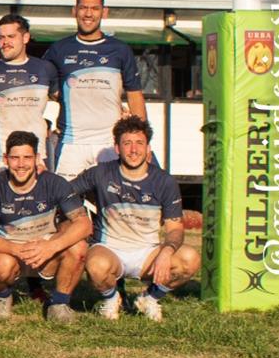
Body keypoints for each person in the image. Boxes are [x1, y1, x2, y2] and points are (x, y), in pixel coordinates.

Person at [73, 115, 198, 322]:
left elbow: (175, 228)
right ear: (117, 148)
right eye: (127, 143)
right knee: (96, 266)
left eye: (139, 143)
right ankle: (112, 299)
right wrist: (79, 217)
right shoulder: (101, 173)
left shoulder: (164, 181)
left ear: (148, 147)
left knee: (190, 259)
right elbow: (65, 193)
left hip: (147, 252)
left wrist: (166, 252)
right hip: (110, 248)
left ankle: (149, 298)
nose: (133, 150)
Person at [0, 131, 91, 322]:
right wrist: (15, 248)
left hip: (46, 248)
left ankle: (59, 303)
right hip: (10, 250)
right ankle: (3, 295)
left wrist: (51, 246)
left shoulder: (55, 183)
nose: (21, 164)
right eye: (15, 158)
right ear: (6, 159)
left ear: (37, 158)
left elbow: (84, 225)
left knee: (79, 247)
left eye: (27, 158)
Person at [44, 0, 147, 180]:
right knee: (65, 201)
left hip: (109, 141)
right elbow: (41, 82)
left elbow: (135, 95)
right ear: (74, 11)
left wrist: (141, 139)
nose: (88, 14)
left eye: (95, 8)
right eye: (83, 8)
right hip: (71, 143)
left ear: (104, 12)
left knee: (114, 202)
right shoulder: (59, 49)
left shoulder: (120, 49)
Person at [0, 14, 58, 179]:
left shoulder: (45, 68)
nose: (5, 42)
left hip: (35, 156)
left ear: (26, 37)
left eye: (11, 36)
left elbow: (64, 99)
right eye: (1, 37)